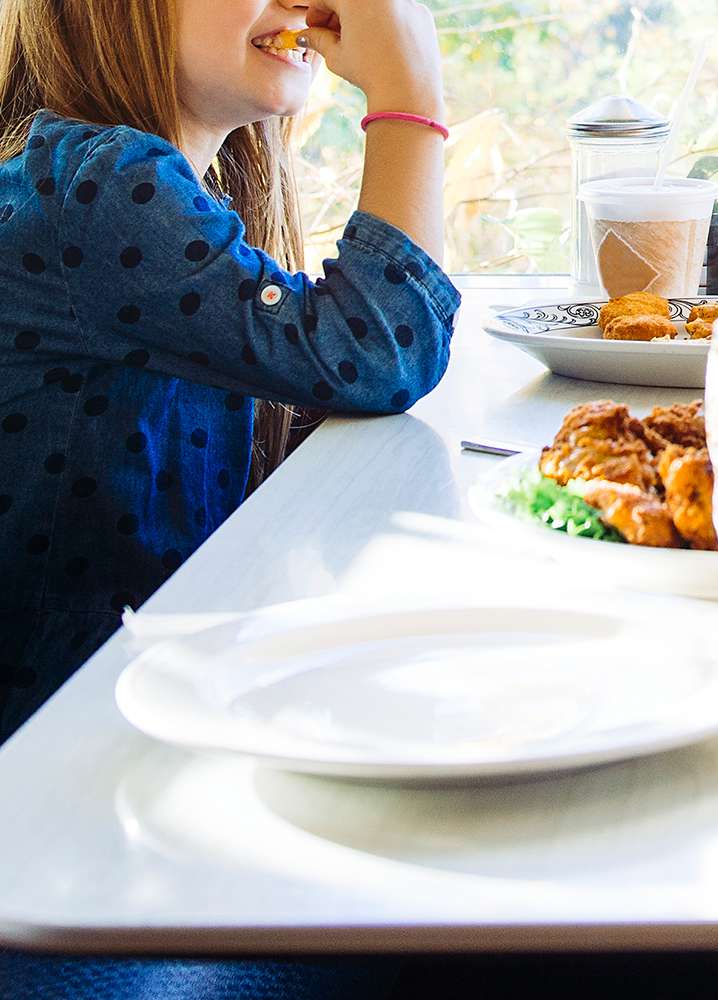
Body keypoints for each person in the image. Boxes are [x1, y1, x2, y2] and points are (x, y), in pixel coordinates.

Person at [0, 0, 457, 743]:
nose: (309, 6)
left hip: (134, 715)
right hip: (58, 752)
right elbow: (378, 351)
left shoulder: (153, 191)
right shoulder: (100, 184)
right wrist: (412, 99)